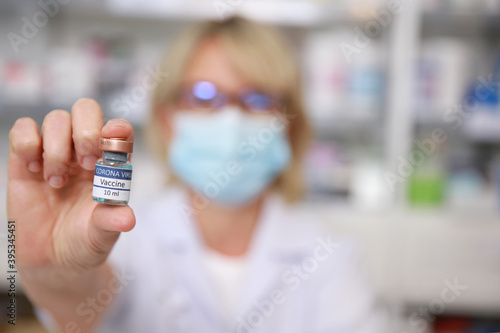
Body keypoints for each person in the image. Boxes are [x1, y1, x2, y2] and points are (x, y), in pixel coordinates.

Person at [8, 16, 384, 332]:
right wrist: (50, 273)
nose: (231, 118)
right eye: (204, 97)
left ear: (291, 125)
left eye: (258, 100)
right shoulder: (125, 237)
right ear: (167, 119)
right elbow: (77, 305)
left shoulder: (332, 260)